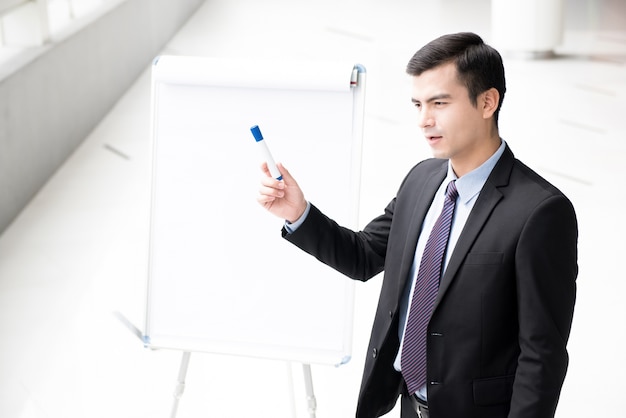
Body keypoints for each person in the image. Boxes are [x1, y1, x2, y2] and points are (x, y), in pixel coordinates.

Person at [257, 32, 577, 418]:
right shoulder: (422, 180)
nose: (425, 120)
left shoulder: (540, 212)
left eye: (440, 103)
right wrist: (298, 212)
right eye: (418, 104)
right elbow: (363, 256)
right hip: (410, 406)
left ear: (487, 102)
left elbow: (542, 356)